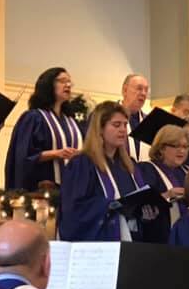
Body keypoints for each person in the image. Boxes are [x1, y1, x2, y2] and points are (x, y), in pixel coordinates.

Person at [60, 101, 155, 241]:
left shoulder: (129, 165)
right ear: (100, 129)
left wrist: (146, 214)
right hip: (101, 244)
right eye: (116, 125)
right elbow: (74, 210)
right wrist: (111, 205)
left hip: (132, 244)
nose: (123, 129)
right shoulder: (82, 164)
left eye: (125, 124)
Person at [5, 67, 83, 191]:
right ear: (48, 85)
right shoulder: (33, 118)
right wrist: (56, 153)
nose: (68, 85)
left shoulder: (71, 121)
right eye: (62, 81)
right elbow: (23, 157)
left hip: (72, 190)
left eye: (69, 82)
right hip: (42, 190)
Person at [136, 124, 189, 243]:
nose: (182, 150)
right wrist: (166, 196)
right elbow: (141, 205)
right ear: (161, 148)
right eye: (176, 146)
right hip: (160, 238)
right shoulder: (146, 169)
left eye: (185, 146)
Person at [120, 73, 150, 162]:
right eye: (139, 88)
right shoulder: (107, 116)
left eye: (146, 90)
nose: (144, 93)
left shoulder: (149, 121)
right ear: (125, 90)